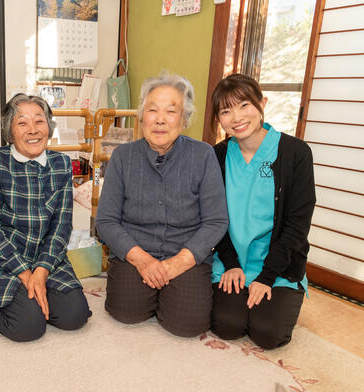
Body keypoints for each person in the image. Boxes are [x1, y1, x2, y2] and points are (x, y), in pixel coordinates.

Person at [95, 73, 229, 337]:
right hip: (135, 252)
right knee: (125, 313)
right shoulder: (122, 157)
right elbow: (106, 221)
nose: (160, 119)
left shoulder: (203, 155)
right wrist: (143, 260)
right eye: (152, 109)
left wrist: (177, 264)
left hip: (185, 252)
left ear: (184, 118)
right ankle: (153, 290)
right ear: (142, 116)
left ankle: (167, 292)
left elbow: (216, 221)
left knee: (187, 325)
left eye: (171, 111)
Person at [0, 93, 92, 342]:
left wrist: (42, 270)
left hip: (45, 258)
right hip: (0, 258)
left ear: (49, 126)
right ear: (9, 132)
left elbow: (61, 225)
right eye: (22, 123)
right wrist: (25, 273)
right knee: (28, 327)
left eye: (39, 121)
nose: (33, 130)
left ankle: (33, 297)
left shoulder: (61, 163)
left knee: (75, 316)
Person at [209, 73, 315, 349]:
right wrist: (230, 263)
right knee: (227, 326)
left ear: (262, 103)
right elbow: (212, 217)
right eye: (226, 110)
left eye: (244, 105)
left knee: (267, 333)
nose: (237, 117)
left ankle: (282, 294)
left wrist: (267, 277)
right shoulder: (217, 156)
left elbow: (297, 224)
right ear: (219, 118)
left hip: (278, 266)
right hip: (232, 261)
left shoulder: (295, 153)